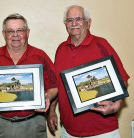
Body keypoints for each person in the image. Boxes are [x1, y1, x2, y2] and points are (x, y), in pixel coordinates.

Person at [47, 5, 129, 138]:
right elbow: (58, 85)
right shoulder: (61, 49)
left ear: (88, 22)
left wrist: (117, 105)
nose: (74, 23)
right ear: (65, 24)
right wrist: (51, 111)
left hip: (102, 131)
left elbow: (123, 81)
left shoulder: (102, 45)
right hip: (68, 131)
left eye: (79, 19)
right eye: (70, 20)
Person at [0, 13, 58, 138]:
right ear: (4, 34)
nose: (15, 35)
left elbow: (54, 85)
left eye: (20, 30)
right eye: (10, 31)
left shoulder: (40, 56)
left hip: (33, 124)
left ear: (28, 32)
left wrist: (49, 96)